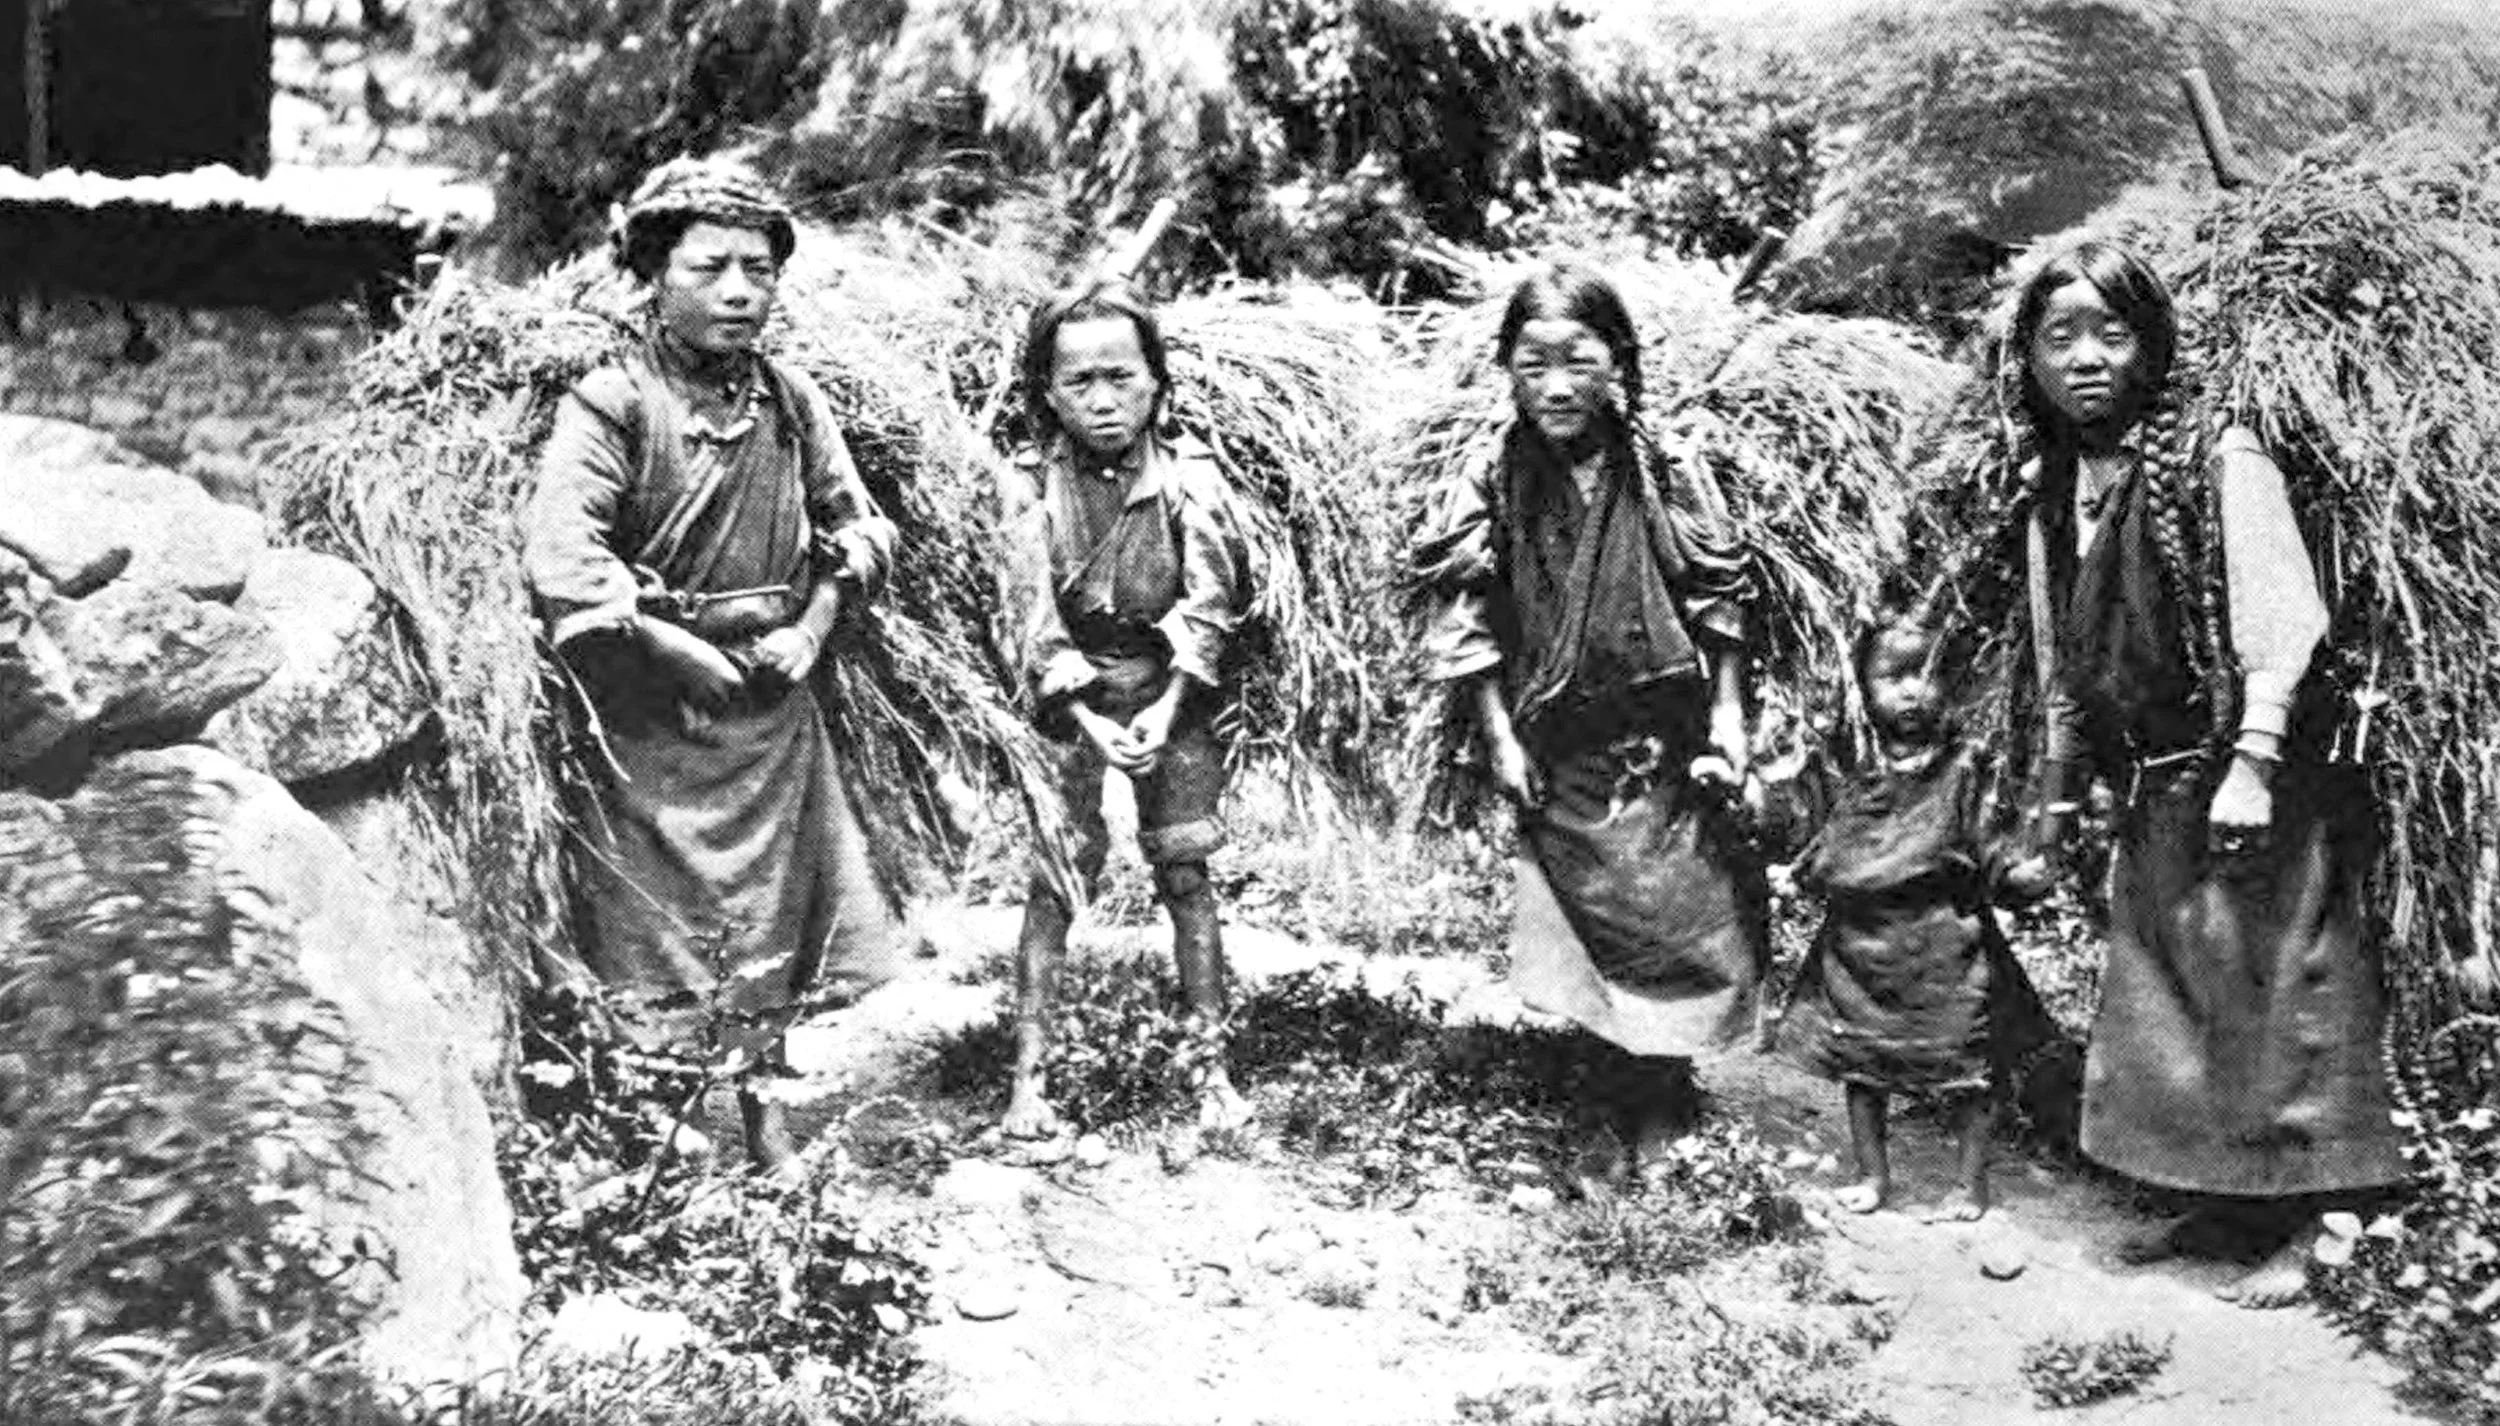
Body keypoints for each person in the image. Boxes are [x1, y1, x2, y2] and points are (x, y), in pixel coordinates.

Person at [2003, 240, 2406, 1305]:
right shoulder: (2056, 489)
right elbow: (2062, 657)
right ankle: (2222, 1197)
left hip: (2251, 773)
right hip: (2155, 784)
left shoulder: (2215, 460)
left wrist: (2253, 762)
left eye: (2111, 331)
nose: (2086, 358)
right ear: (2031, 360)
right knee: (2177, 998)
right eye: (2059, 337)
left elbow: (2284, 620)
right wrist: (2057, 793)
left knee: (2281, 989)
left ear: (2153, 343)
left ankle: (2323, 1215)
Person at [521, 158, 900, 1172]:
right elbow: (564, 557)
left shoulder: (789, 400)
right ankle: (653, 1139)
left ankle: (768, 1125)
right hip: (652, 712)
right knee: (655, 928)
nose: (738, 290)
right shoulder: (612, 404)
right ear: (655, 273)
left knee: (764, 928)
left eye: (758, 269)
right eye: (709, 267)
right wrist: (667, 644)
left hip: (772, 708)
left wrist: (815, 625)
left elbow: (858, 529)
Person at [1410, 263, 1762, 1188]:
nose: (1557, 386)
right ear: (1506, 370)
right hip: (1555, 739)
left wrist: (1727, 714)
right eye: (1533, 365)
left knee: (1672, 915)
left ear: (1620, 365)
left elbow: (1720, 589)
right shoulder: (1488, 476)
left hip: (1664, 734)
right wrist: (1495, 735)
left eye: (1579, 361)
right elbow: (1464, 613)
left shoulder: (1664, 468)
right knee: (1584, 924)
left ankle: (1668, 1086)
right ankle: (1606, 1090)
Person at [995, 278, 1255, 1141]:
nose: (1102, 401)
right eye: (1078, 384)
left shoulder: (1192, 483)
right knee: (1056, 876)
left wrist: (1170, 699)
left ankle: (1210, 1065)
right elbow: (1030, 618)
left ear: (1157, 382)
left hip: (1172, 688)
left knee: (1185, 869)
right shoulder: (1029, 489)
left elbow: (1212, 604)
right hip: (1070, 698)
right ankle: (1028, 1080)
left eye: (1121, 377)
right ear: (1047, 395)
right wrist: (1085, 715)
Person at [1775, 609, 2056, 1221]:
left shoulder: (1969, 768)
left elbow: (1992, 848)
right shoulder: (1845, 766)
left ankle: (1968, 1184)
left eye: (1924, 675)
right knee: (1863, 1066)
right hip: (1859, 945)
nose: (1909, 690)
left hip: (1944, 945)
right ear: (1862, 686)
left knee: (1969, 1070)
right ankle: (1873, 1176)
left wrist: (2020, 876)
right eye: (1891, 676)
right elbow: (1812, 840)